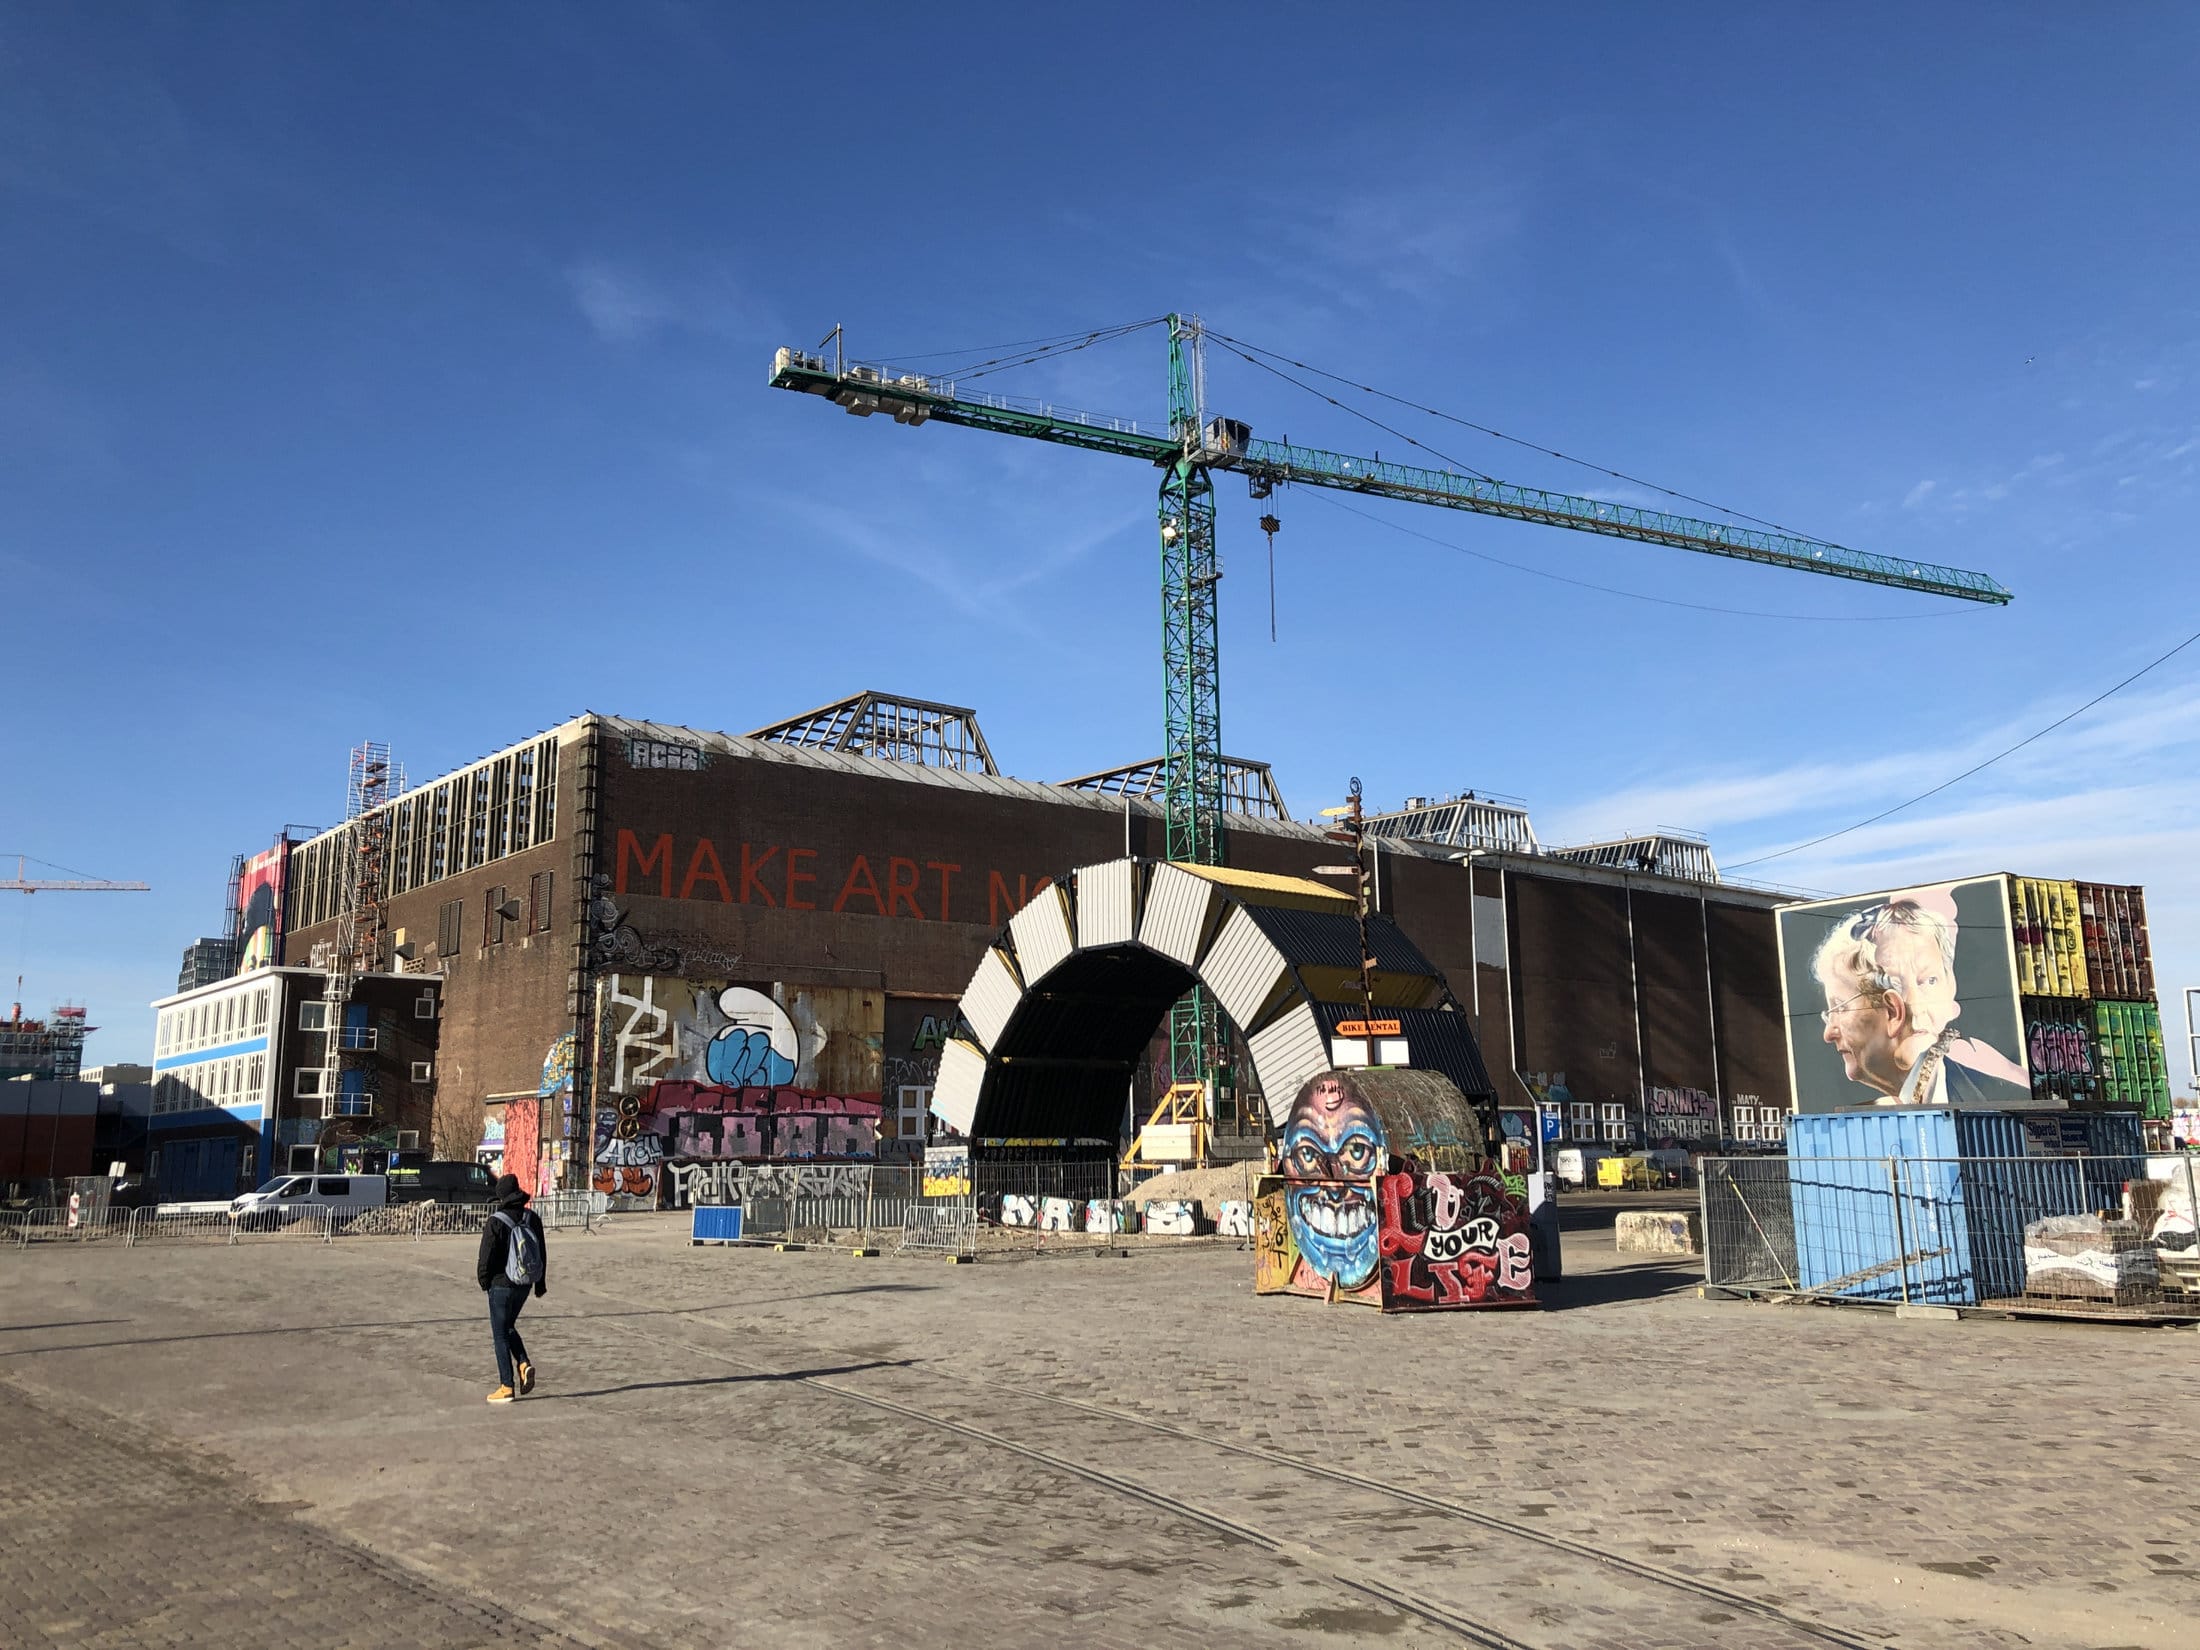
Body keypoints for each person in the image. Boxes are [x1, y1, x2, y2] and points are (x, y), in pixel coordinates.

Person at [1811, 900, 2031, 1107]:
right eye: (1834, 1010)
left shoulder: (2013, 1102)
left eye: (1929, 981)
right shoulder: (1853, 1124)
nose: (1828, 1033)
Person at [476, 1172, 547, 1403]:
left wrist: (484, 1281)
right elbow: (542, 1253)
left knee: (499, 1334)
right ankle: (524, 1364)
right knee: (508, 1327)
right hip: (524, 1284)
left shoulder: (496, 1221)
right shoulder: (532, 1218)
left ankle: (506, 1385)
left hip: (501, 1284)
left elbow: (485, 1257)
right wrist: (540, 1283)